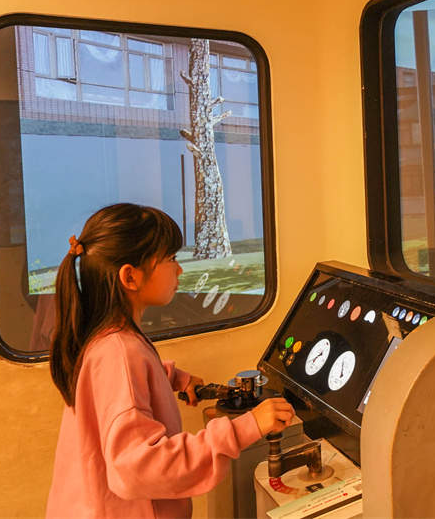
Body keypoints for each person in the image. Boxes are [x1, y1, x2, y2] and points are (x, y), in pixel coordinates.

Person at [45, 203, 294, 519]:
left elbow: (113, 395)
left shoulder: (106, 340)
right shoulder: (120, 353)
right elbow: (140, 467)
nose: (179, 270)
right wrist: (246, 427)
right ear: (130, 277)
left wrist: (172, 378)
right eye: (172, 259)